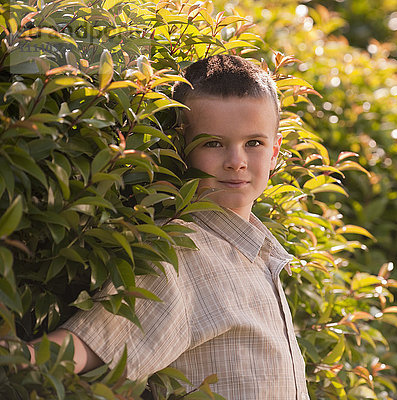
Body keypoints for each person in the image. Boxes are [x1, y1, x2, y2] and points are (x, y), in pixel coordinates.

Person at [28, 54, 310, 399]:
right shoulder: (180, 248)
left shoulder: (261, 256)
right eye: (213, 143)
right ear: (183, 148)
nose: (236, 162)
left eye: (253, 143)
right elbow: (97, 340)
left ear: (274, 151)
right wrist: (20, 360)